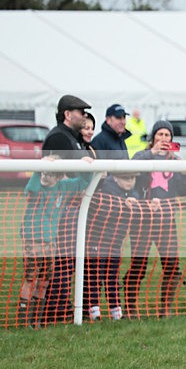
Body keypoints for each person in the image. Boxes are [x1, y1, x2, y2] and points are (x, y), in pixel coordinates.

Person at [17, 156, 92, 327]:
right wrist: (39, 167)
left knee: (44, 279)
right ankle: (22, 319)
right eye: (43, 173)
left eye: (49, 174)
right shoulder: (36, 188)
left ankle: (36, 319)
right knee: (30, 277)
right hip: (32, 240)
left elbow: (83, 181)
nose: (45, 177)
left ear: (59, 176)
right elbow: (32, 188)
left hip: (51, 241)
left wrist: (83, 164)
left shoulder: (64, 187)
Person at [126, 120, 186, 318]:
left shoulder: (175, 160)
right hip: (143, 220)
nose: (163, 139)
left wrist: (184, 172)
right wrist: (152, 153)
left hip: (167, 220)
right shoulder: (143, 156)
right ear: (153, 137)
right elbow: (131, 173)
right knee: (138, 264)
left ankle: (165, 309)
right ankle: (131, 307)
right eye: (160, 135)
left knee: (171, 265)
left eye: (167, 135)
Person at [41, 94, 93, 323]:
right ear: (67, 114)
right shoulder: (60, 138)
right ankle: (54, 312)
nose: (84, 116)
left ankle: (60, 310)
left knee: (68, 263)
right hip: (59, 211)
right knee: (61, 265)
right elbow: (72, 175)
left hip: (69, 208)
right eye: (80, 112)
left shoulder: (71, 137)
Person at [85, 172, 141, 321]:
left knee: (112, 276)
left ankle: (116, 311)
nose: (130, 181)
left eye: (132, 177)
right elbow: (100, 212)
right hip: (97, 241)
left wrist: (133, 201)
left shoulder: (132, 194)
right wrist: (122, 203)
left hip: (115, 243)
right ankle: (93, 311)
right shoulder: (104, 191)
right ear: (115, 178)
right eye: (126, 177)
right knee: (95, 276)